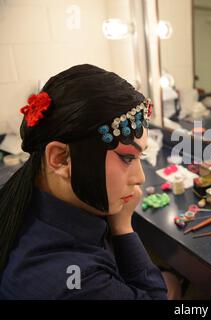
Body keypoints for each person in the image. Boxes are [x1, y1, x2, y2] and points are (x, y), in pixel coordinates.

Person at [0, 64, 179, 299]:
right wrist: (123, 227)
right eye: (126, 157)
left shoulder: (25, 192)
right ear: (61, 158)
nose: (140, 178)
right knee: (172, 283)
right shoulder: (75, 282)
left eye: (140, 156)